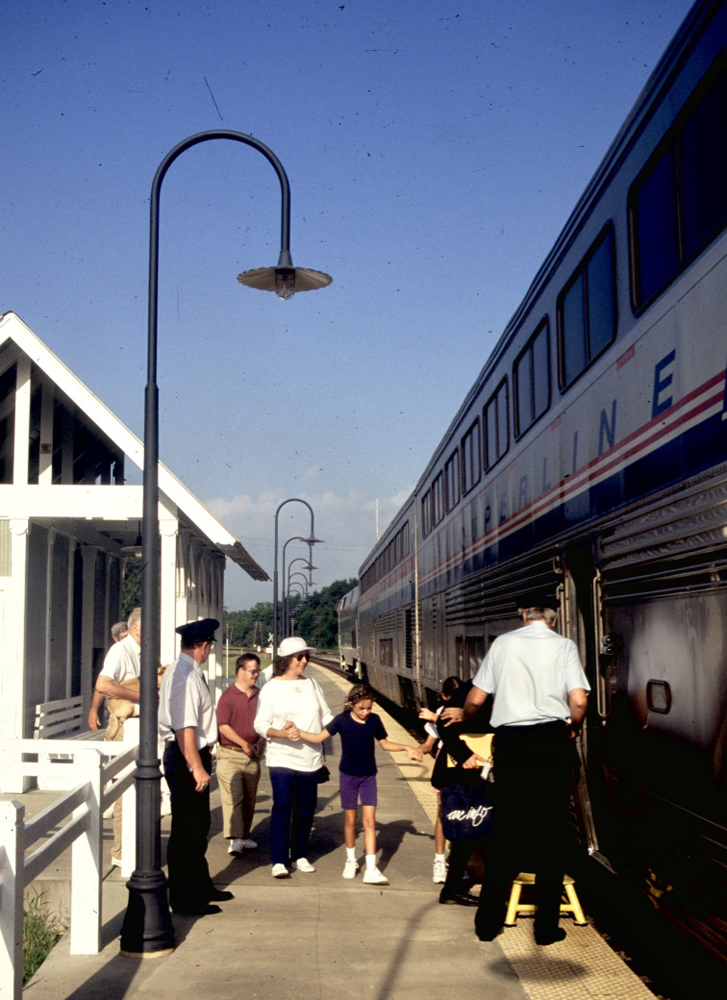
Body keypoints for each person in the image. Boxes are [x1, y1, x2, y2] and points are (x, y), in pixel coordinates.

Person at [460, 593, 590, 946]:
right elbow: (579, 700)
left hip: (513, 746)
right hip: (551, 742)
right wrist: (572, 725)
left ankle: (488, 923)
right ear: (553, 619)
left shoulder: (503, 644)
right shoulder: (564, 646)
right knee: (551, 836)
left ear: (523, 616)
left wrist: (464, 716)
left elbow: (476, 698)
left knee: (505, 834)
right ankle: (546, 929)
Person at [290, 683, 423, 885]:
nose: (365, 712)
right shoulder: (342, 721)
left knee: (369, 822)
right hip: (348, 777)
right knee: (351, 822)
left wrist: (407, 747)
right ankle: (351, 861)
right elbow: (318, 737)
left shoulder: (375, 720)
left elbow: (385, 743)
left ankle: (371, 868)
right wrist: (297, 731)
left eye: (369, 708)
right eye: (362, 708)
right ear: (351, 704)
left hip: (369, 777)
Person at [159, 617, 233, 916]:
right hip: (186, 756)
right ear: (203, 645)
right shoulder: (185, 677)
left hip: (190, 755)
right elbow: (185, 727)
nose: (211, 649)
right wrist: (196, 768)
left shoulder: (187, 672)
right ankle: (185, 898)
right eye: (210, 645)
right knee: (186, 829)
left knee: (198, 826)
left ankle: (200, 885)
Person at [253, 636, 333, 878]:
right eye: (300, 657)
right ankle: (279, 859)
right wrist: (281, 734)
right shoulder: (271, 688)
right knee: (282, 806)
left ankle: (300, 854)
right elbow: (260, 724)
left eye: (306, 656)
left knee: (306, 809)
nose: (305, 661)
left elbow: (327, 716)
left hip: (310, 758)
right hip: (281, 757)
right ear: (287, 659)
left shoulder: (312, 685)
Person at [88, 608, 141, 867]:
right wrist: (140, 696)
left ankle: (134, 844)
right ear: (132, 629)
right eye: (144, 629)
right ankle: (121, 852)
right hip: (123, 726)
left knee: (140, 786)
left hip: (140, 726)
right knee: (124, 789)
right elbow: (103, 684)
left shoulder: (145, 651)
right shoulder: (121, 650)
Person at [419, 675, 467, 884]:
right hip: (445, 768)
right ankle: (439, 860)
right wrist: (418, 750)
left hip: (466, 768)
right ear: (444, 697)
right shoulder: (439, 713)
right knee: (443, 813)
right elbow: (429, 744)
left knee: (464, 815)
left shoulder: (468, 712)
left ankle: (457, 862)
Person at [215, 652, 263, 855]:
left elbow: (266, 722)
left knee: (250, 799)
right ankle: (234, 839)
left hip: (253, 756)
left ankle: (243, 836)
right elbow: (223, 726)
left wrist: (260, 742)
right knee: (234, 798)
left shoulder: (261, 695)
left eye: (258, 671)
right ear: (240, 671)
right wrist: (243, 743)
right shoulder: (227, 697)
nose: (256, 675)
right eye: (253, 671)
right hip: (230, 754)